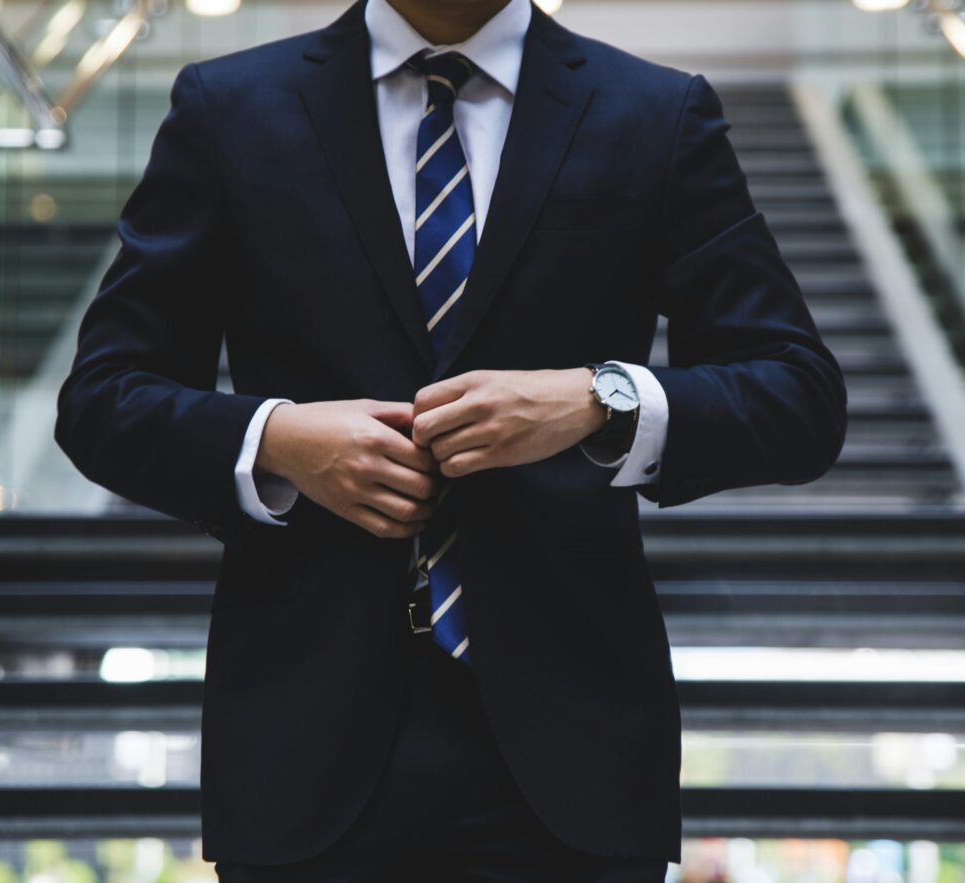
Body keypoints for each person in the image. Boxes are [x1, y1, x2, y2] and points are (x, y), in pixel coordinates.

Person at [54, 0, 848, 879]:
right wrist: (276, 438)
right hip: (303, 744)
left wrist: (599, 397)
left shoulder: (655, 112)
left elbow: (797, 394)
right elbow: (102, 397)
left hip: (574, 753)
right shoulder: (229, 107)